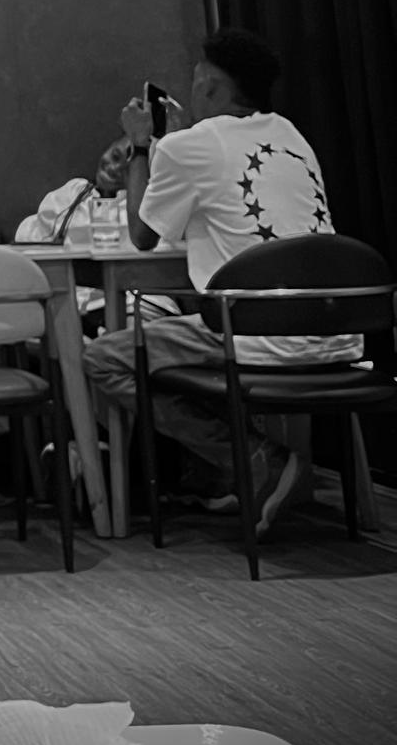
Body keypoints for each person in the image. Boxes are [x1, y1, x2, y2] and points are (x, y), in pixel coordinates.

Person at [81, 27, 342, 526]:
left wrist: (141, 145)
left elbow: (141, 236)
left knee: (106, 359)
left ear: (213, 90)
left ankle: (250, 459)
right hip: (336, 327)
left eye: (198, 80)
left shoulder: (190, 146)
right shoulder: (293, 135)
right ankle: (242, 478)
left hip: (257, 329)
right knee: (190, 348)